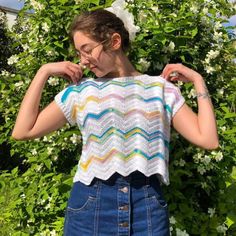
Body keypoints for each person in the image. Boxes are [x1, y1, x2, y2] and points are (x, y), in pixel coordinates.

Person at [12, 5, 219, 236]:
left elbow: (208, 139)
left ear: (115, 41)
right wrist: (43, 72)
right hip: (90, 207)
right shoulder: (82, 91)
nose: (83, 61)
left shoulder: (160, 89)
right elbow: (23, 130)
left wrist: (198, 81)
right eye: (79, 53)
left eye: (87, 50)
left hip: (147, 209)